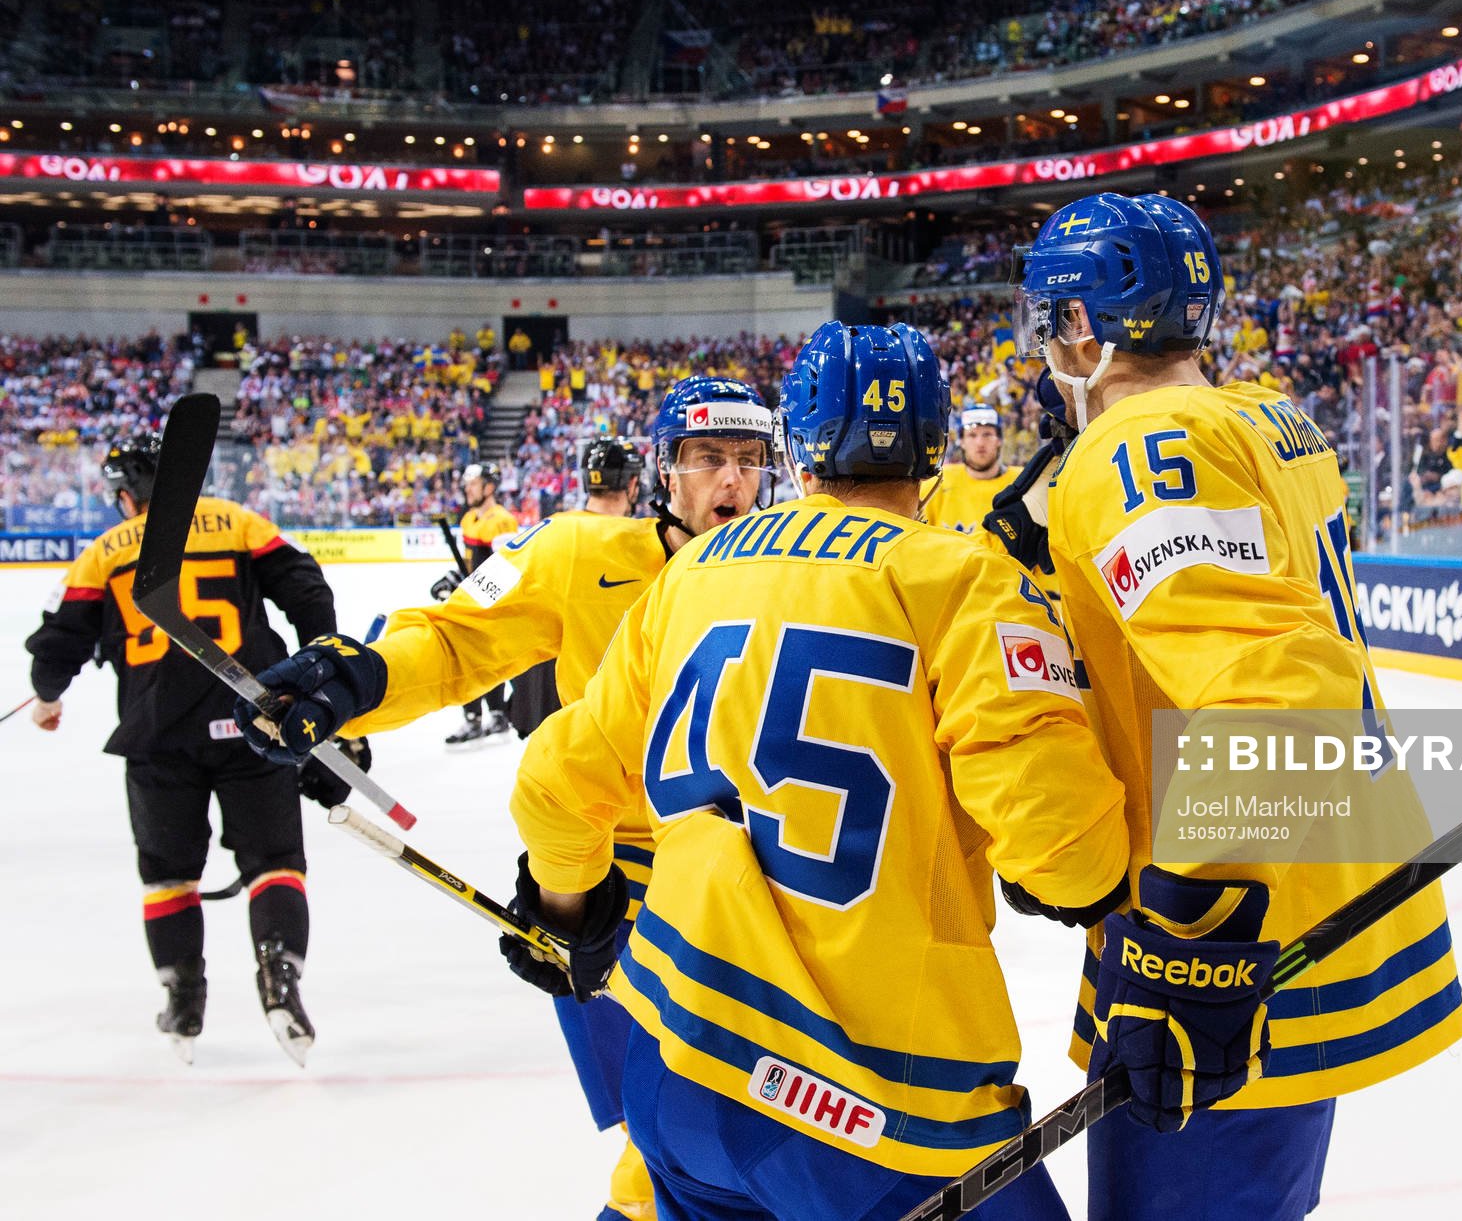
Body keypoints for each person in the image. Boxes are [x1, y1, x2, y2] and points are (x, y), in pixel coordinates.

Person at [502, 321, 1131, 1220]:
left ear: (794, 447)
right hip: (876, 1102)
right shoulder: (966, 577)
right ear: (938, 444)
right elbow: (1065, 847)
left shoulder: (692, 572)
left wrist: (572, 909)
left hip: (677, 1062)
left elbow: (554, 786)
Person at [1009, 191, 1462, 1221]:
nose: (1044, 347)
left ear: (1082, 322)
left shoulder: (1138, 449)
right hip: (1317, 872)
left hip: (1242, 916)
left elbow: (1272, 693)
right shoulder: (1267, 414)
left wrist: (1193, 927)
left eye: (1051, 320)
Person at [230, 379, 775, 1221]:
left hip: (765, 889)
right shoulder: (573, 553)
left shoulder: (802, 568)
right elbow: (454, 637)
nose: (731, 482)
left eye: (749, 460)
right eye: (709, 459)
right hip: (614, 884)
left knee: (705, 1138)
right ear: (666, 471)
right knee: (683, 1136)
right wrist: (352, 677)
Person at [23, 434, 343, 1065]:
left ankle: (183, 997)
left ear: (125, 495)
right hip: (254, 718)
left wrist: (47, 695)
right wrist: (321, 670)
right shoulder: (238, 522)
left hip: (158, 734)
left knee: (167, 871)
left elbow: (60, 641)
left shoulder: (103, 552)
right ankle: (280, 980)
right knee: (274, 857)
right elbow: (308, 591)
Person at [435, 461, 520, 744]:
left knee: (487, 659)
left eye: (473, 484)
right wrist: (455, 577)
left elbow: (507, 565)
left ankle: (495, 713)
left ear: (489, 487)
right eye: (467, 484)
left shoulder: (502, 520)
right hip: (473, 597)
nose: (467, 489)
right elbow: (469, 563)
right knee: (469, 658)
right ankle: (476, 716)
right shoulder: (469, 518)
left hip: (492, 601)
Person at [920, 403, 1022, 533]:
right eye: (972, 435)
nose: (980, 443)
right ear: (961, 441)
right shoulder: (937, 483)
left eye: (987, 434)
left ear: (999, 440)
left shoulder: (1021, 482)